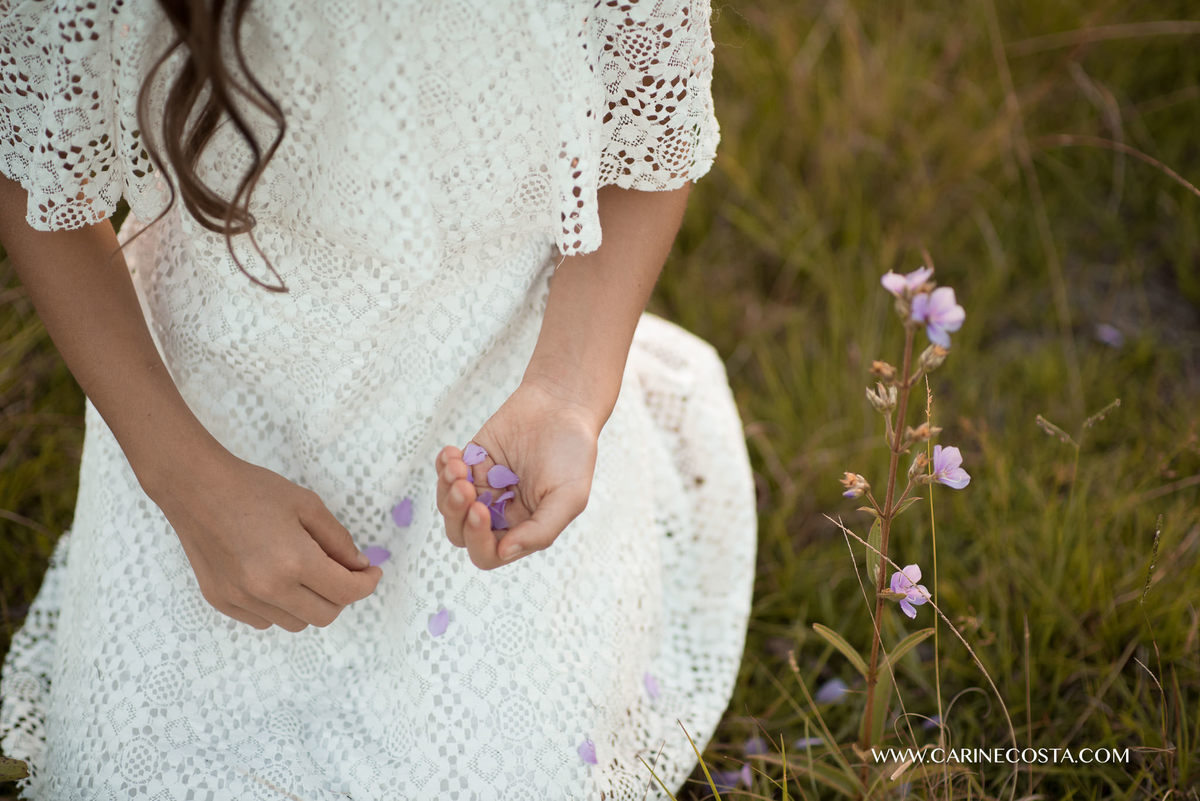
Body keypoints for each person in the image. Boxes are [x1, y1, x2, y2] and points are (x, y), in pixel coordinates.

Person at [0, 0, 758, 797]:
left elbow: (648, 139)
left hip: (502, 364)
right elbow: (24, 163)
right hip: (206, 402)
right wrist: (183, 477)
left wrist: (567, 392)